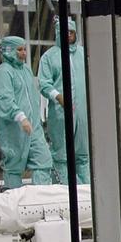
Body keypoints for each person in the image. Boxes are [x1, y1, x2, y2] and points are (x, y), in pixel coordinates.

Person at [0, 35, 53, 188]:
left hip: (33, 126)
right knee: (14, 165)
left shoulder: (26, 70)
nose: (24, 53)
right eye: (19, 50)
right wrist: (20, 117)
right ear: (9, 51)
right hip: (14, 129)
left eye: (25, 49)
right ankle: (15, 200)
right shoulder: (3, 72)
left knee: (43, 160)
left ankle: (41, 196)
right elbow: (4, 99)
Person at [37, 17, 91, 185]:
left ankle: (86, 187)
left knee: (83, 152)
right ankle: (65, 188)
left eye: (71, 32)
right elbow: (44, 83)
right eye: (64, 32)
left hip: (83, 111)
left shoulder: (84, 54)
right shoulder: (49, 57)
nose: (68, 35)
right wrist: (57, 96)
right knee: (62, 152)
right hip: (61, 112)